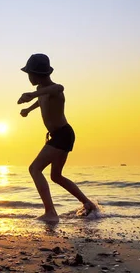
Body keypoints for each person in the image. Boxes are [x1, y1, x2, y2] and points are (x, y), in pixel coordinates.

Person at [18, 53, 97, 222]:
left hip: (63, 134)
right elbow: (41, 100)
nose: (29, 77)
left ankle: (51, 212)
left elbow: (57, 88)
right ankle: (88, 203)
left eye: (30, 74)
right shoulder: (41, 91)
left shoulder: (55, 88)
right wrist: (28, 109)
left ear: (38, 74)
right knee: (56, 176)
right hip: (60, 135)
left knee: (34, 169)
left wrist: (31, 94)